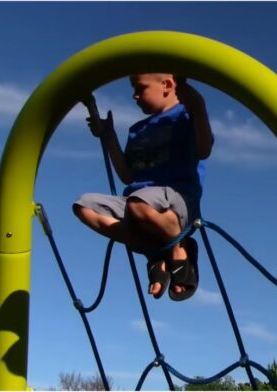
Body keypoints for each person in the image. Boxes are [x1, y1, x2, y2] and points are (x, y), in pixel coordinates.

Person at [73, 73, 213, 302]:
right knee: (84, 207)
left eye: (140, 88)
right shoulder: (138, 130)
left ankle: (179, 246)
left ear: (167, 85)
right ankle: (156, 250)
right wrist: (109, 136)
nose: (134, 96)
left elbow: (204, 149)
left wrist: (198, 107)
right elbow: (128, 175)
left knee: (139, 205)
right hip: (139, 202)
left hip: (177, 199)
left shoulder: (185, 117)